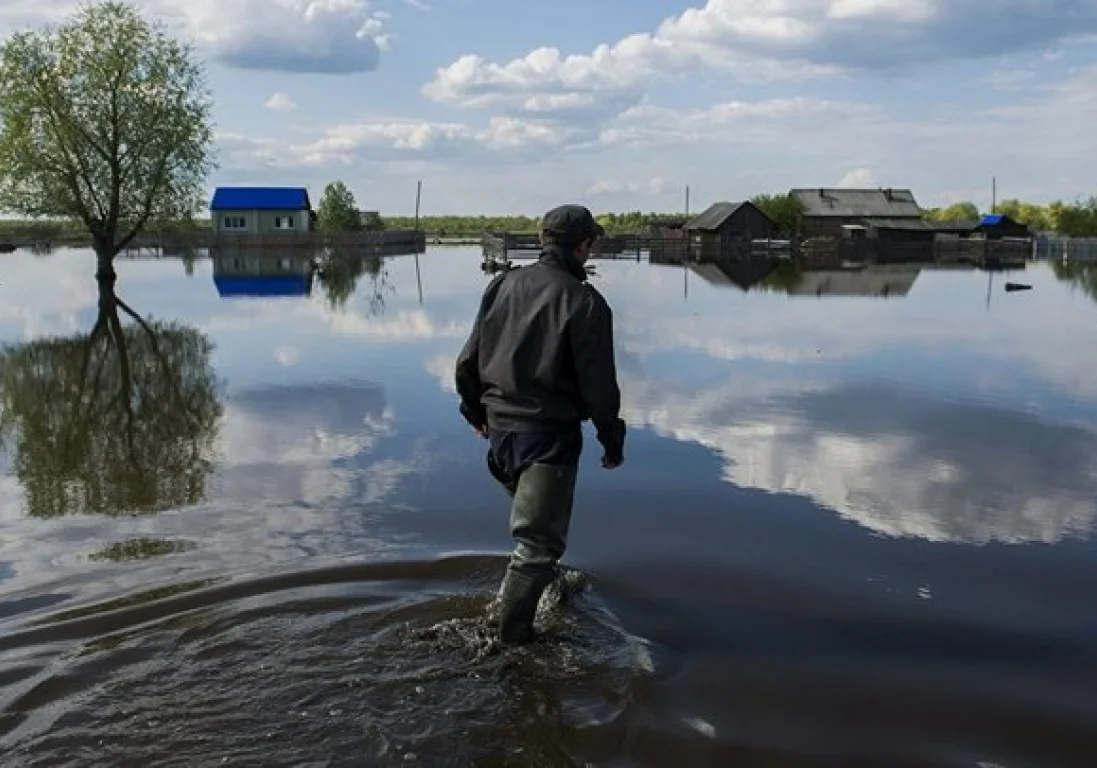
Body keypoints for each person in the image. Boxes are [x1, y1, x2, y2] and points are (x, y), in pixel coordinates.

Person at [454, 203, 626, 645]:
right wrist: (612, 439)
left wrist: (476, 413)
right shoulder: (586, 303)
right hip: (548, 440)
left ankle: (547, 589)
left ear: (543, 239)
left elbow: (467, 360)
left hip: (501, 436)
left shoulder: (501, 284)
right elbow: (599, 387)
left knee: (537, 535)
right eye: (591, 245)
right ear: (584, 245)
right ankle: (508, 645)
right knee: (537, 546)